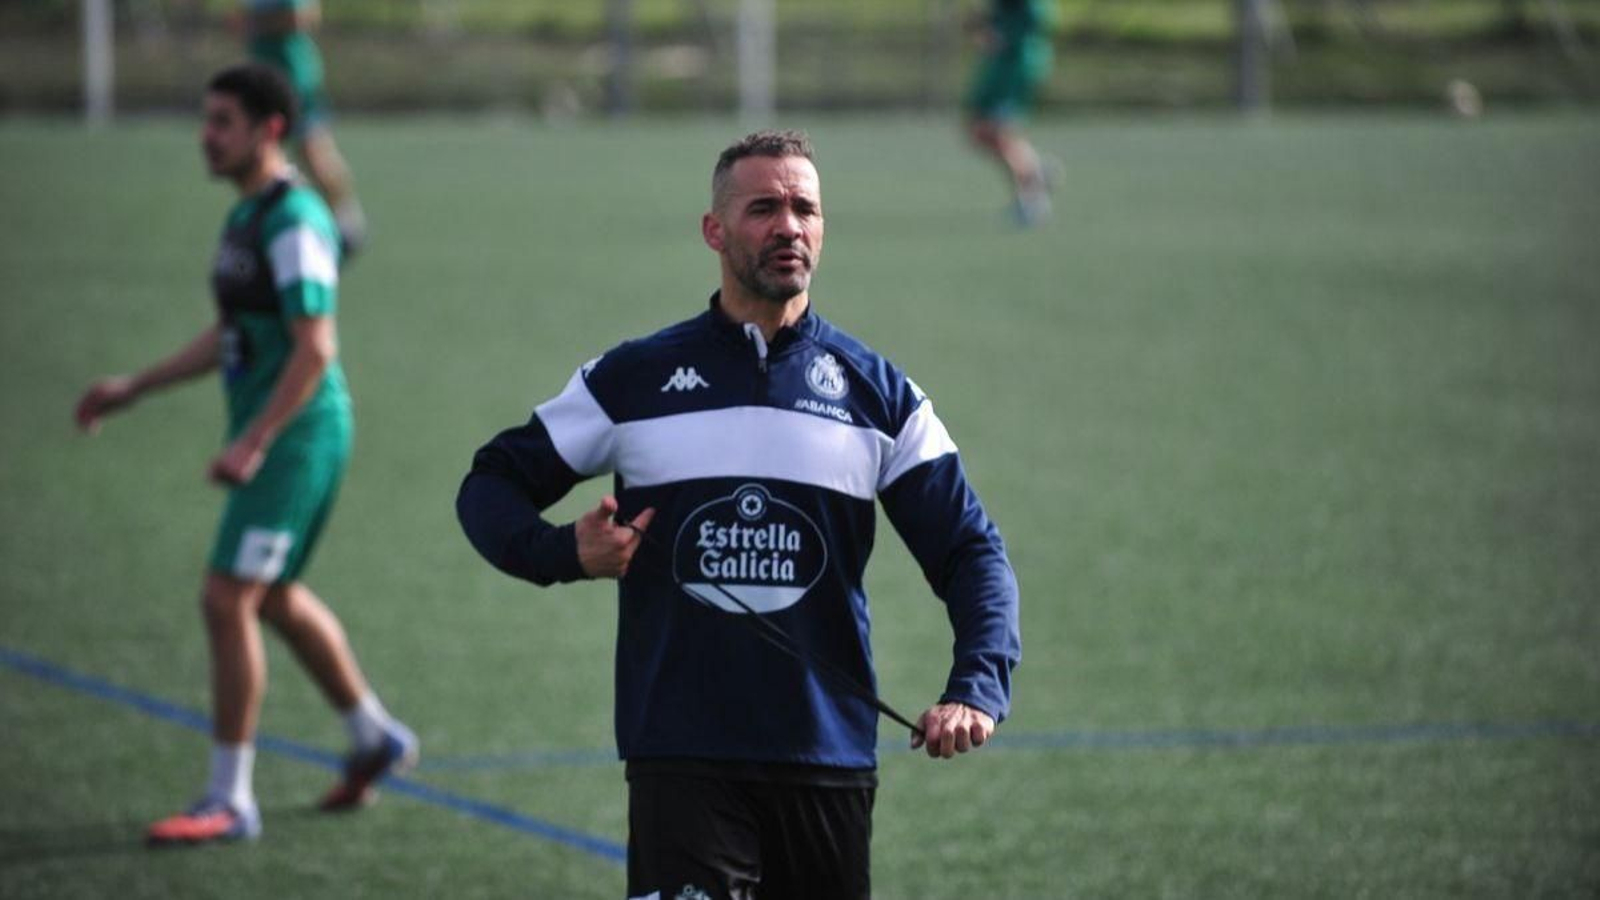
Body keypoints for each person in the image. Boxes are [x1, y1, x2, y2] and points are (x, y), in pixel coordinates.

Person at [456, 130, 1020, 898]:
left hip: (828, 761)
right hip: (682, 756)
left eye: (804, 209)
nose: (788, 225)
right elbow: (491, 482)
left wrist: (975, 687)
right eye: (764, 208)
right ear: (714, 231)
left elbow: (970, 551)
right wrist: (562, 553)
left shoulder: (879, 396)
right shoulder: (634, 379)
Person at [74, 64, 416, 846]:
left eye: (223, 120)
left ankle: (230, 799)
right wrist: (136, 386)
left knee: (227, 595)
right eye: (207, 117)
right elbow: (231, 333)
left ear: (267, 130)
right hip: (283, 434)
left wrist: (254, 440)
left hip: (297, 437)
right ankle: (373, 736)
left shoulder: (295, 221)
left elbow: (314, 346)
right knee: (271, 594)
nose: (207, 133)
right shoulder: (247, 218)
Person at [242, 0, 367, 255]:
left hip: (292, 76)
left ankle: (346, 224)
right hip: (264, 74)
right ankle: (275, 225)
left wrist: (254, 23)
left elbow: (301, 16)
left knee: (314, 153)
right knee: (262, 157)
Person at [965, 0, 1056, 226]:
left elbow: (1038, 19)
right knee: (979, 131)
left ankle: (1033, 200)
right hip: (999, 66)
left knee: (999, 133)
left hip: (1016, 64)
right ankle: (1035, 168)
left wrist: (1003, 36)